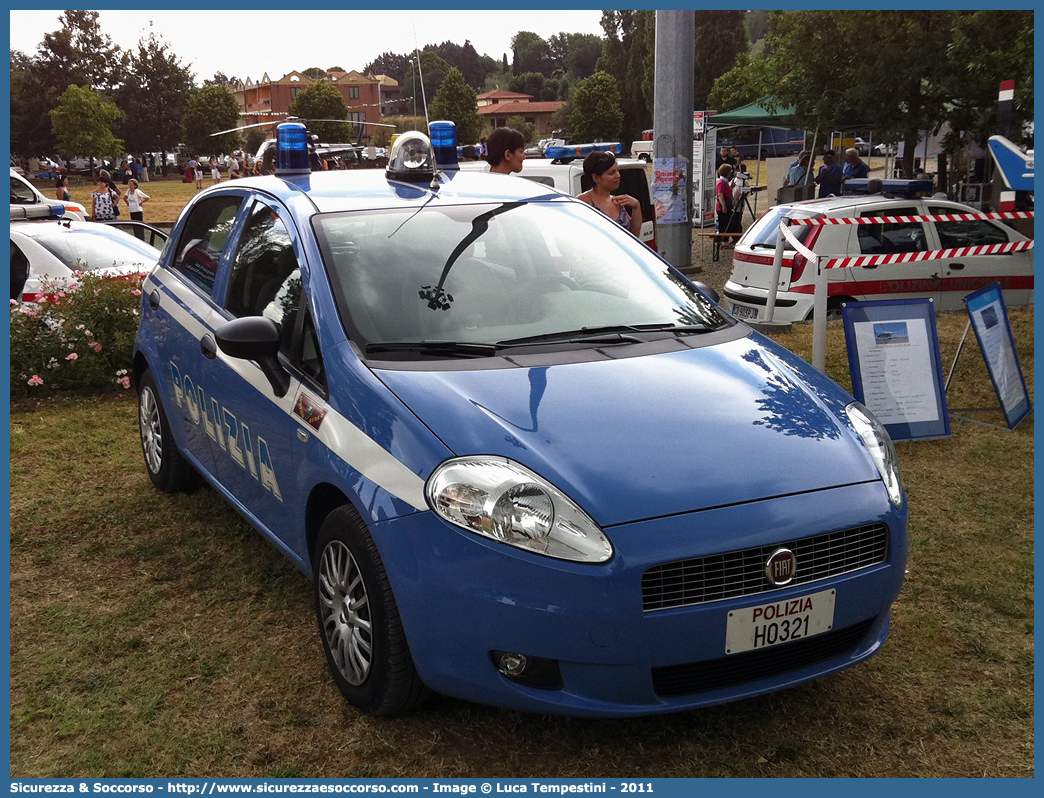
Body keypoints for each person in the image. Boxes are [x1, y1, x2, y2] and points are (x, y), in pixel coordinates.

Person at [576, 150, 642, 237]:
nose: (618, 175)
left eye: (617, 170)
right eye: (612, 173)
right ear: (595, 178)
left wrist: (636, 206)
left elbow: (634, 236)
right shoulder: (584, 201)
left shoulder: (617, 202)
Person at [715, 163, 740, 246]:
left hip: (727, 204)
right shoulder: (721, 182)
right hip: (723, 206)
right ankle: (723, 240)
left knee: (727, 222)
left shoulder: (725, 182)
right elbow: (720, 194)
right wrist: (724, 206)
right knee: (723, 223)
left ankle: (725, 239)